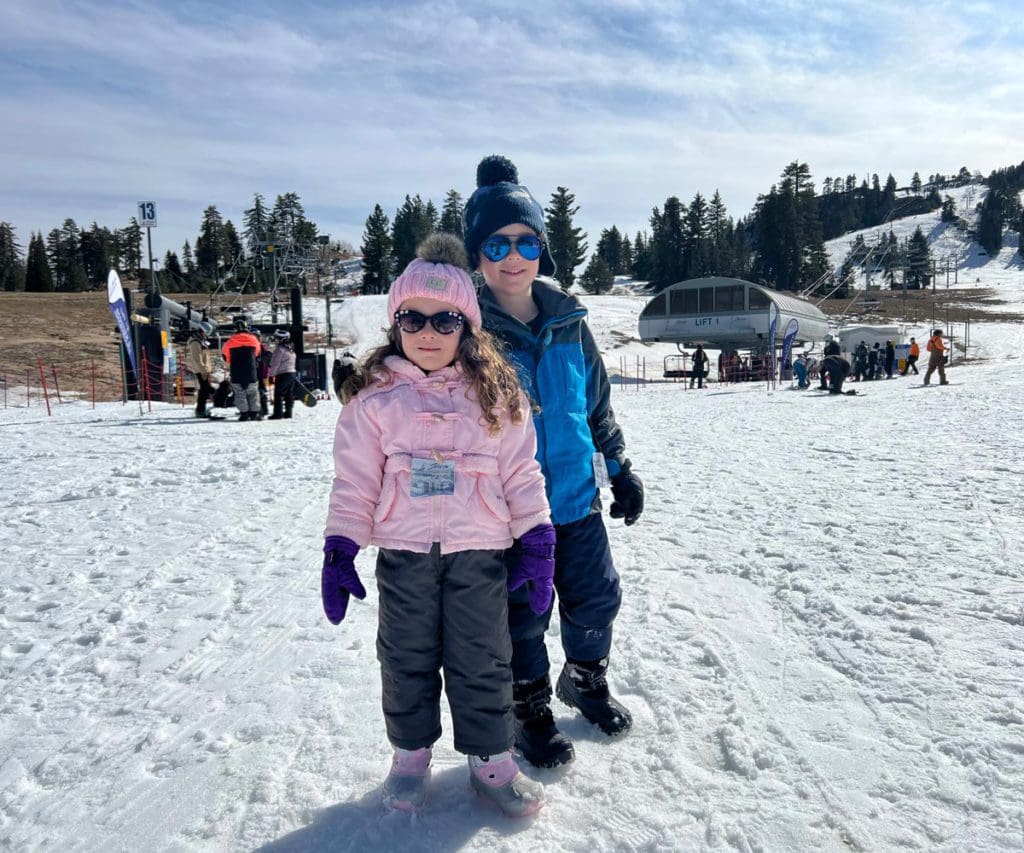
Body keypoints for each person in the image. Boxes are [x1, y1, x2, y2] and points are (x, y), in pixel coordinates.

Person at [322, 233, 553, 817]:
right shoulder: (373, 401)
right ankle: (409, 758)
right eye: (413, 318)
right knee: (405, 657)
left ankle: (492, 761)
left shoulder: (497, 397)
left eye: (445, 319)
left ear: (468, 325)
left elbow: (523, 475)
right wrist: (341, 546)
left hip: (480, 552)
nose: (428, 332)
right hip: (403, 554)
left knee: (484, 655)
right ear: (395, 322)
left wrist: (538, 540)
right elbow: (354, 481)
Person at [464, 155, 644, 769]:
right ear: (478, 254)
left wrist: (618, 466)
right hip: (510, 514)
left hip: (575, 497)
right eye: (497, 242)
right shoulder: (466, 334)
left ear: (541, 248)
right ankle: (529, 708)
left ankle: (585, 681)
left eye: (525, 241)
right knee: (524, 614)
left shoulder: (571, 324)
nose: (512, 255)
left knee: (597, 597)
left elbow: (595, 406)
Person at [222, 319, 263, 421]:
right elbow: (257, 353)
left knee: (240, 394)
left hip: (237, 373)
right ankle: (254, 413)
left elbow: (226, 357)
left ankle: (244, 413)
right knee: (253, 393)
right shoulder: (254, 340)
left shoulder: (229, 342)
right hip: (251, 371)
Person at [185, 330, 215, 417]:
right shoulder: (195, 343)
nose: (206, 335)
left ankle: (201, 409)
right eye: (206, 333)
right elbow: (197, 359)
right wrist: (203, 371)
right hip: (201, 370)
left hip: (204, 369)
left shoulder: (200, 341)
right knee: (205, 390)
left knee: (205, 390)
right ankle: (200, 410)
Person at [268, 330, 296, 419]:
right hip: (292, 373)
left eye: (276, 339)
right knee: (289, 393)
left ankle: (278, 414)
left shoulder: (279, 349)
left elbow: (275, 363)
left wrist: (271, 375)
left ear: (281, 339)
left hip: (283, 374)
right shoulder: (290, 349)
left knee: (278, 394)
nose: (275, 340)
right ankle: (288, 413)